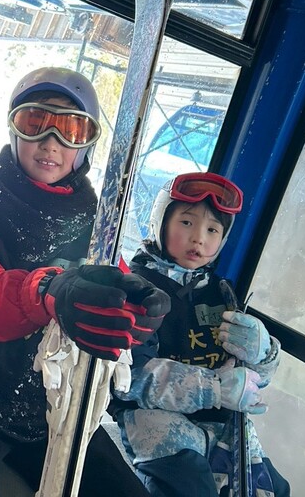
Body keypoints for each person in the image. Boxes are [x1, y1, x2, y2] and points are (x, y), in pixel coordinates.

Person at [0, 67, 171, 497]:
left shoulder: (97, 228)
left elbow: (110, 288)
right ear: (13, 130)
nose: (50, 141)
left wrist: (136, 311)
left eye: (71, 129)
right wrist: (47, 293)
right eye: (34, 122)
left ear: (86, 145)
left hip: (53, 401)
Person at [111, 172, 291, 496]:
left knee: (273, 489)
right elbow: (130, 378)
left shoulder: (221, 291)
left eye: (212, 230)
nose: (198, 239)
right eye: (186, 223)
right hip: (158, 420)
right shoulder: (137, 288)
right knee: (190, 487)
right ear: (160, 222)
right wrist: (215, 389)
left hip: (221, 421)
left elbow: (249, 380)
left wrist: (263, 354)